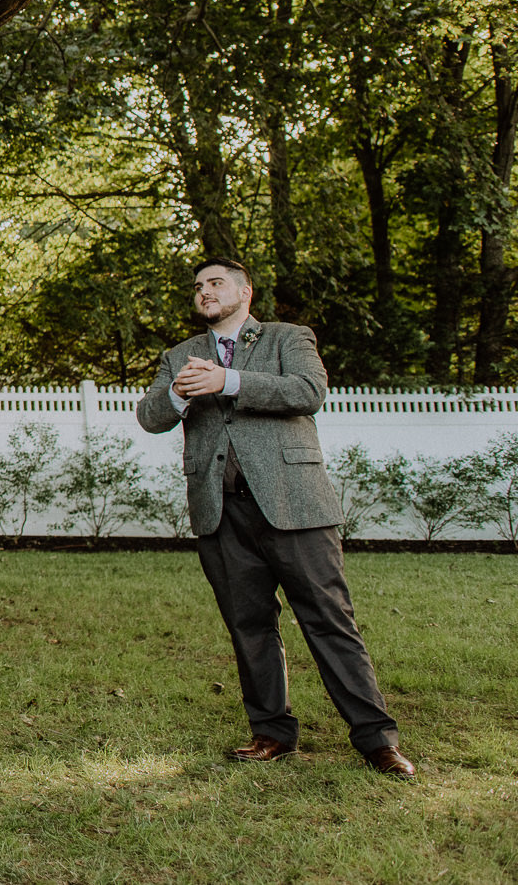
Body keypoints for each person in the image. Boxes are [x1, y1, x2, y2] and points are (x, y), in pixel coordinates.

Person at [137, 257, 413, 777]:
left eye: (215, 283)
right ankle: (271, 733)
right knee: (249, 626)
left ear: (245, 293)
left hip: (295, 505)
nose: (204, 292)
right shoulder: (179, 356)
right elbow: (150, 417)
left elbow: (309, 393)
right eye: (198, 286)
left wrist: (230, 380)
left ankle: (377, 740)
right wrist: (177, 391)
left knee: (329, 621)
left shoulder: (288, 337)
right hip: (221, 511)